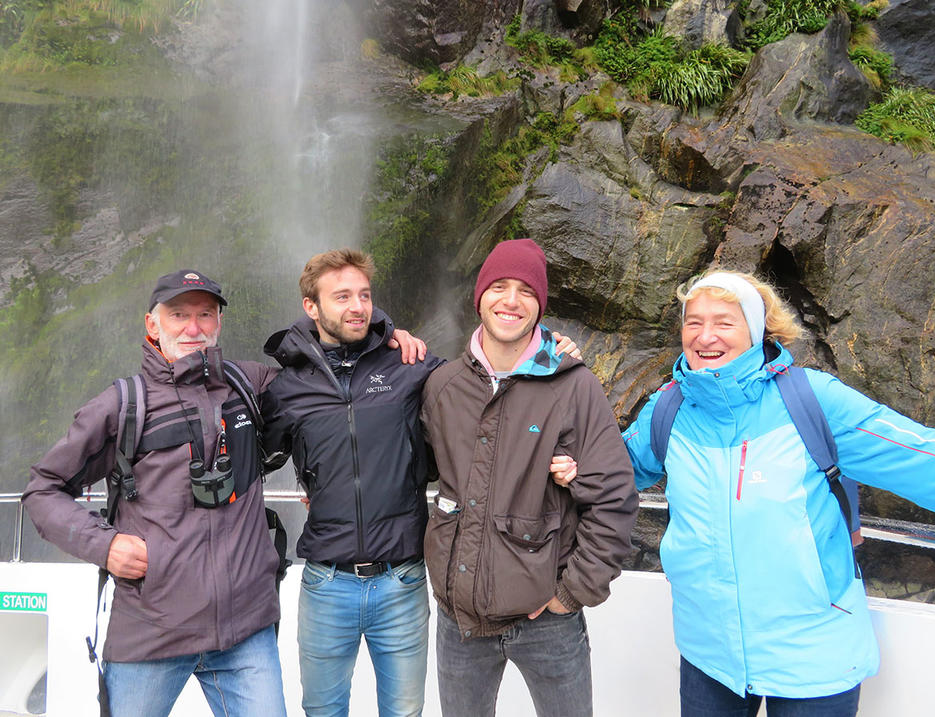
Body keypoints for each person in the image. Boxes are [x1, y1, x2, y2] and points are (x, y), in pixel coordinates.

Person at [617, 270, 935, 716]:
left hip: (812, 653)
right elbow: (610, 473)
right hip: (709, 651)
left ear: (757, 329)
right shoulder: (668, 407)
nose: (705, 336)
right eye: (693, 321)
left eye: (724, 322)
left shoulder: (811, 399)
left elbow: (924, 458)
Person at [261, 247, 583, 717]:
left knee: (405, 712)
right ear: (311, 307)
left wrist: (550, 346)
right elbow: (255, 460)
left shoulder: (410, 367)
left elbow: (488, 382)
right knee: (322, 711)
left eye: (365, 295)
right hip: (326, 582)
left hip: (403, 578)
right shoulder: (286, 387)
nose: (357, 306)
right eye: (342, 296)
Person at [23, 270, 286, 717]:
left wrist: (382, 333)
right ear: (152, 325)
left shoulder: (249, 384)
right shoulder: (123, 405)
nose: (193, 327)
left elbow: (322, 373)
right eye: (179, 314)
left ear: (219, 322)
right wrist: (105, 545)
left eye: (205, 315)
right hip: (151, 636)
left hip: (247, 632)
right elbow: (42, 491)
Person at [420, 238, 639, 717]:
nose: (511, 300)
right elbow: (417, 466)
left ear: (540, 305)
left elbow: (615, 496)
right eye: (499, 286)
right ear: (479, 296)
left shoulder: (574, 385)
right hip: (459, 615)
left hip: (547, 618)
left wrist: (571, 594)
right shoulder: (442, 386)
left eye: (525, 290)